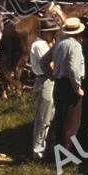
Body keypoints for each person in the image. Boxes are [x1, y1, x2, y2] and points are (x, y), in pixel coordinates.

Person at [42, 17, 86, 152]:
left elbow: (43, 61)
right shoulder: (75, 46)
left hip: (59, 84)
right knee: (71, 122)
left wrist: (52, 75)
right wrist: (77, 87)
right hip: (69, 85)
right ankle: (66, 155)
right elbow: (73, 69)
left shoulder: (59, 44)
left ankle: (51, 150)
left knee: (58, 119)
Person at [30, 22, 60, 161]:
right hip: (44, 79)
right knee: (44, 117)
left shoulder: (44, 45)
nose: (53, 34)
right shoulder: (40, 46)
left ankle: (47, 149)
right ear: (43, 32)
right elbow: (50, 64)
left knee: (50, 115)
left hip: (48, 80)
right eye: (50, 32)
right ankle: (39, 151)